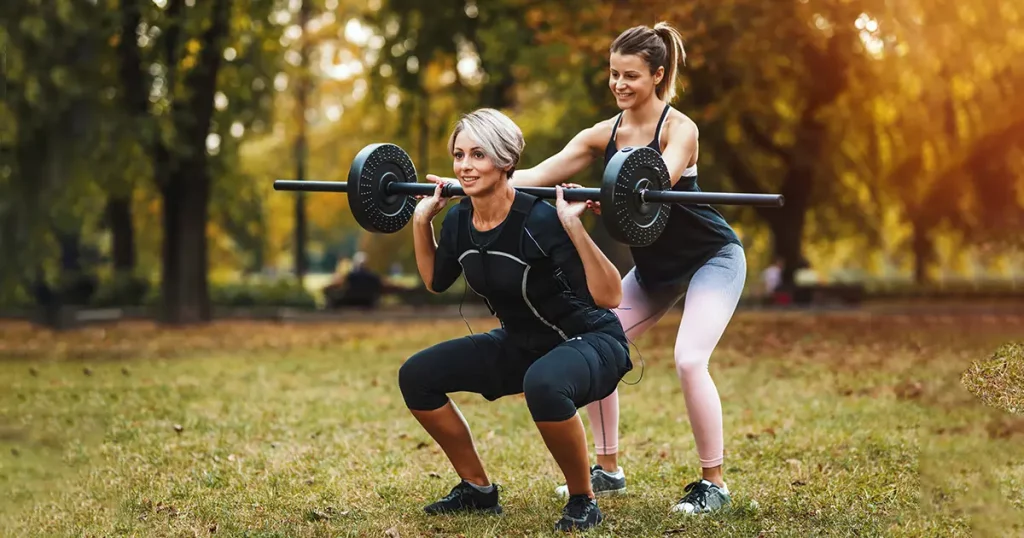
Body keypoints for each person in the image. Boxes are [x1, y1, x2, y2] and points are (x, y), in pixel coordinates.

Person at [430, 22, 746, 515]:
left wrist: (615, 195)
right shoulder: (605, 134)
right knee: (597, 340)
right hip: (655, 270)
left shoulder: (681, 128)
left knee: (688, 359)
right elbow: (532, 176)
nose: (620, 85)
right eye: (614, 74)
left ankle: (714, 483)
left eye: (632, 76)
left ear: (658, 76)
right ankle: (608, 467)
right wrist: (469, 182)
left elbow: (664, 174)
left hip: (711, 257)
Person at [399, 108, 633, 532]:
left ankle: (583, 498)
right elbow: (435, 280)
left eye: (478, 155)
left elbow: (611, 296)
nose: (465, 167)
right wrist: (420, 220)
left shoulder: (542, 218)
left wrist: (573, 226)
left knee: (542, 383)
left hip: (591, 341)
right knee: (417, 375)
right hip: (522, 342)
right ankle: (477, 490)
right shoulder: (458, 221)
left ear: (506, 160)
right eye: (459, 155)